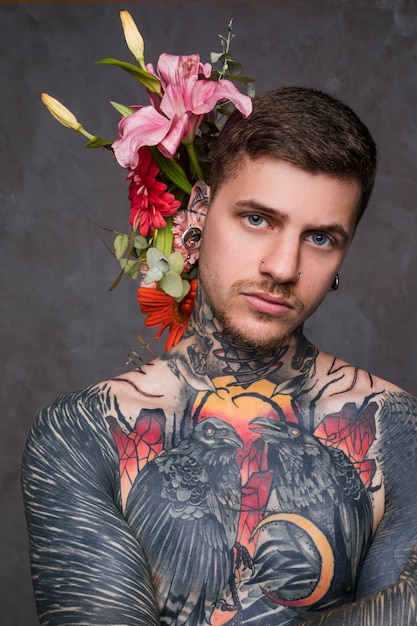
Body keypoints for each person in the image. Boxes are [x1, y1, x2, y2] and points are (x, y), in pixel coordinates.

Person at [22, 86, 417, 626]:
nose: (283, 266)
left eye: (320, 238)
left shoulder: (396, 429)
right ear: (199, 213)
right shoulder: (84, 432)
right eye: (258, 219)